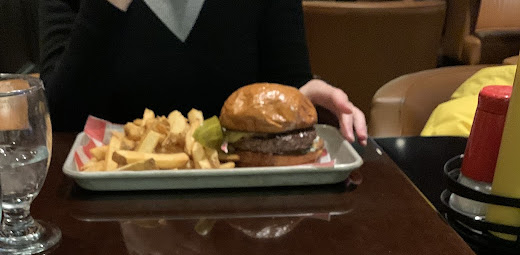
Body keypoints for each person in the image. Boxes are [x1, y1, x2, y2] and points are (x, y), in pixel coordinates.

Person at [39, 0, 367, 144]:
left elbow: (288, 80)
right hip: (106, 212)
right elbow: (62, 120)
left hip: (242, 199)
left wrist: (304, 95)